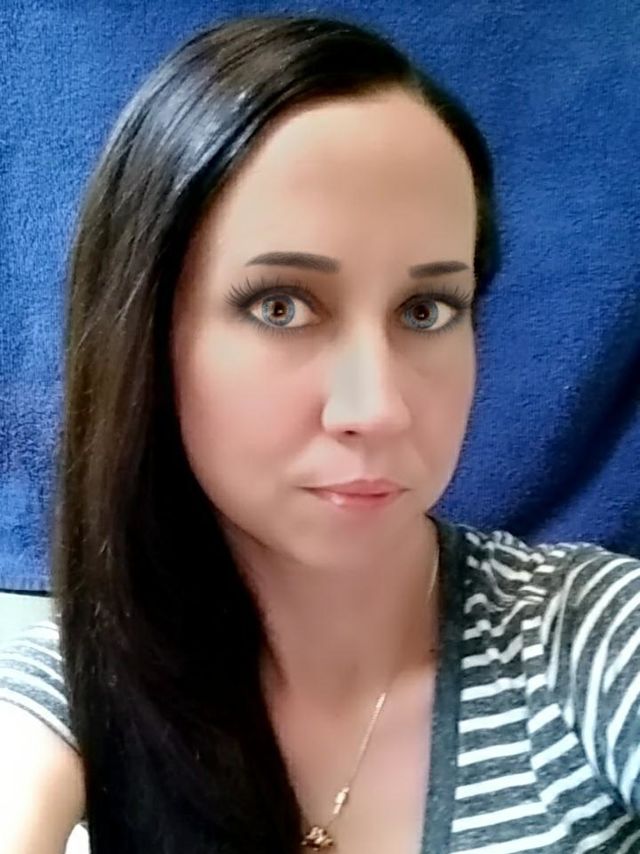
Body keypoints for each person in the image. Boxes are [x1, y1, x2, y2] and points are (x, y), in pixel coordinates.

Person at [0, 12, 638, 854]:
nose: (378, 408)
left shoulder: (592, 637)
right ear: (145, 337)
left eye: (426, 309)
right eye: (281, 306)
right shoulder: (74, 686)